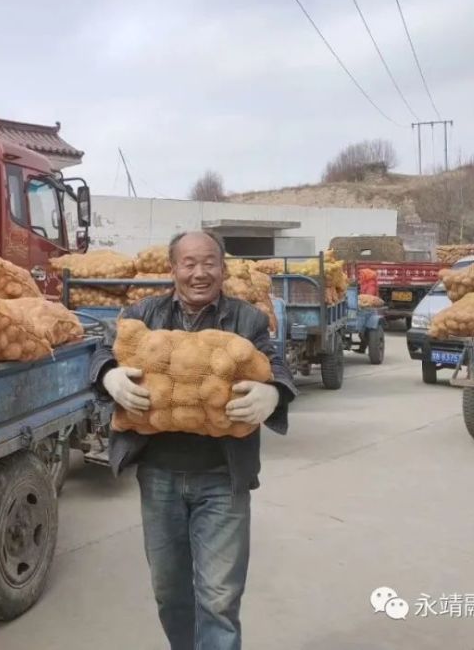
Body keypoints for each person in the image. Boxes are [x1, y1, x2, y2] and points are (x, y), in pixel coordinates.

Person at [90, 232, 296, 650]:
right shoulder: (144, 313)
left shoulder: (248, 319)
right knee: (170, 593)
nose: (199, 273)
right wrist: (107, 372)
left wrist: (273, 392)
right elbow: (102, 349)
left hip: (222, 476)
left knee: (219, 598)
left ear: (222, 268)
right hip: (159, 474)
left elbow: (276, 365)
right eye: (189, 263)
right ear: (173, 269)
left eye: (209, 263)